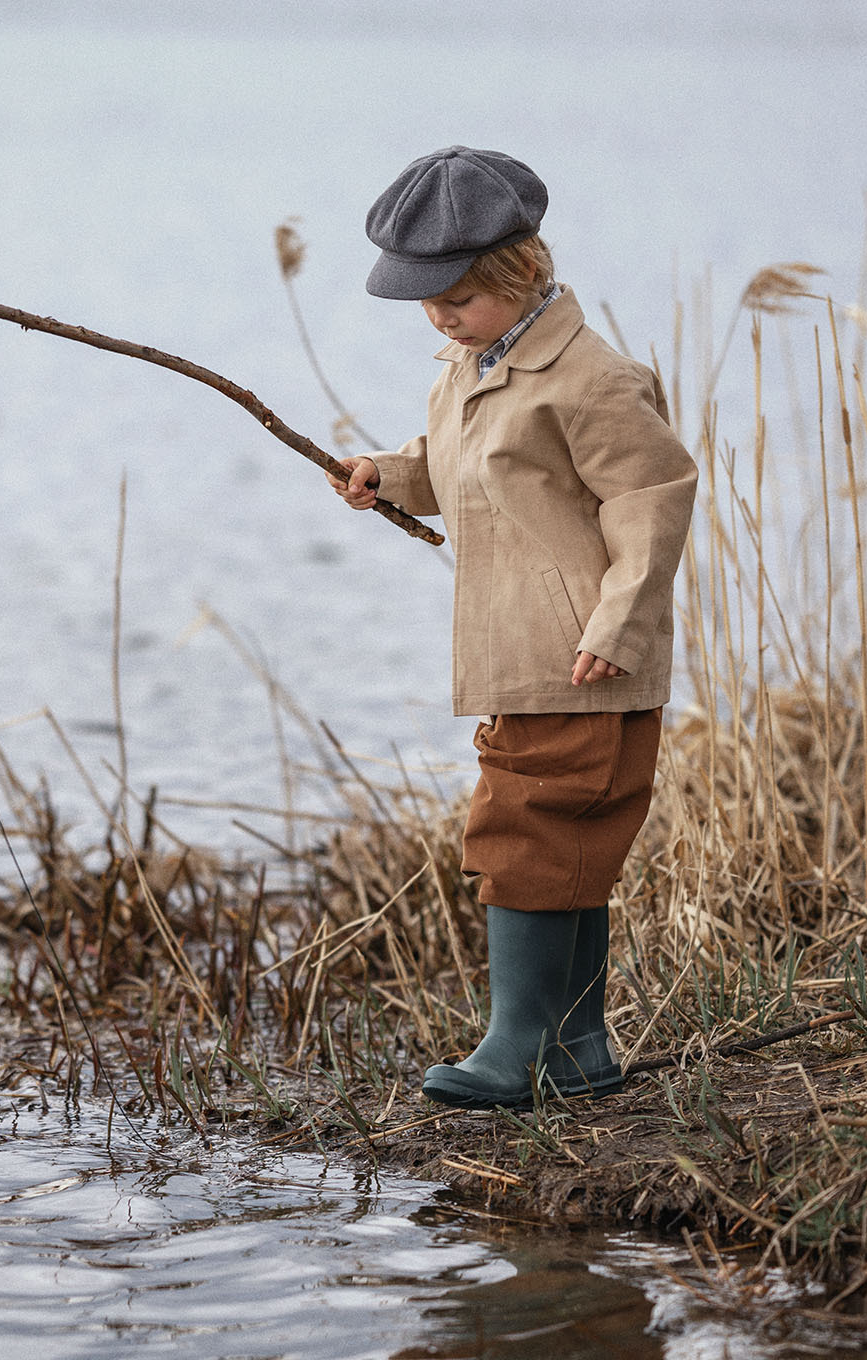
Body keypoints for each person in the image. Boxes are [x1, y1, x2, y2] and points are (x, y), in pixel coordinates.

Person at [327, 146, 697, 1109]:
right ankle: (575, 1047)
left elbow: (651, 498)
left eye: (456, 296)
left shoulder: (589, 379)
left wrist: (618, 622)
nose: (439, 316)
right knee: (564, 834)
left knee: (525, 826)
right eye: (427, 300)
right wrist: (392, 475)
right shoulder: (473, 365)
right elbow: (469, 467)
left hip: (574, 650)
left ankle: (519, 1044)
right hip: (532, 647)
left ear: (520, 272)